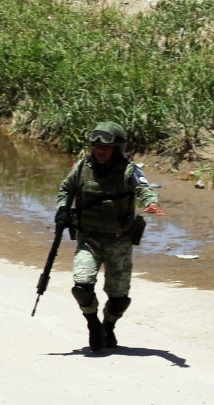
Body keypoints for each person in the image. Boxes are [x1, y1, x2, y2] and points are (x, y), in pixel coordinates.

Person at [56, 121, 165, 352]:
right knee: (82, 286)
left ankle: (109, 325)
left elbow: (144, 189)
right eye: (97, 147)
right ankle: (93, 324)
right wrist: (62, 209)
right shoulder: (81, 167)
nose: (101, 152)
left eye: (106, 148)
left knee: (119, 298)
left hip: (119, 241)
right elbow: (66, 189)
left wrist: (152, 203)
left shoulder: (129, 170)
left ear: (116, 148)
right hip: (89, 239)